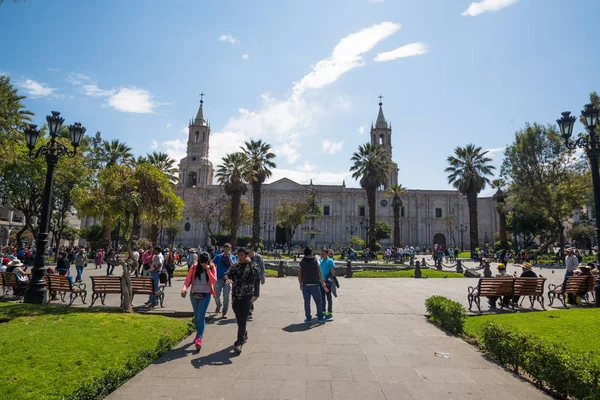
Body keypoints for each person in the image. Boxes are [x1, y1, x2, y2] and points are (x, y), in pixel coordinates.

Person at [224, 247, 260, 354]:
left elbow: (257, 274)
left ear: (246, 256)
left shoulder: (252, 266)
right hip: (236, 296)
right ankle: (243, 333)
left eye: (242, 255)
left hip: (247, 296)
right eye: (238, 255)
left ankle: (239, 342)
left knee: (242, 320)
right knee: (239, 318)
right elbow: (227, 273)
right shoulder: (235, 266)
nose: (240, 257)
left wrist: (250, 263)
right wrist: (227, 279)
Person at [181, 252, 217, 351]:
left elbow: (214, 281)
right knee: (197, 316)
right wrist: (184, 289)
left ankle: (199, 338)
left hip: (205, 294)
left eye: (205, 262)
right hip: (194, 294)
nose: (203, 264)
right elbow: (187, 280)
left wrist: (208, 270)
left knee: (201, 315)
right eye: (201, 262)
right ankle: (198, 333)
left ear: (208, 261)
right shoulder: (194, 267)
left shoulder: (212, 267)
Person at [298, 247, 328, 324]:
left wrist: (300, 283)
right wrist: (322, 282)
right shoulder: (316, 260)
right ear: (311, 252)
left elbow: (299, 274)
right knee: (318, 301)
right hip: (315, 284)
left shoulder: (301, 262)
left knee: (307, 302)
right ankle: (320, 317)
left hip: (305, 284)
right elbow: (319, 272)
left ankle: (308, 318)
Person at [213, 243, 236, 319]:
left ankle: (224, 312)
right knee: (216, 295)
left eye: (228, 249)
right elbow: (212, 264)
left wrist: (230, 258)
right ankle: (218, 304)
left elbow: (234, 266)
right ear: (223, 249)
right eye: (225, 249)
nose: (226, 251)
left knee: (226, 297)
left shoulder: (233, 257)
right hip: (218, 278)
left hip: (228, 279)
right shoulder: (218, 256)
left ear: (230, 250)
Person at [248, 245, 265, 320]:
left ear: (252, 249)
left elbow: (262, 267)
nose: (248, 251)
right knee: (249, 293)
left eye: (249, 249)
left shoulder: (258, 257)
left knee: (256, 295)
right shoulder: (245, 257)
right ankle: (248, 308)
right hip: (248, 278)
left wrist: (262, 277)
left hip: (256, 277)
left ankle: (249, 303)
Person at [319, 247, 335, 319]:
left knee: (328, 297)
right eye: (321, 253)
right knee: (322, 297)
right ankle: (323, 311)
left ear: (327, 254)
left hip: (327, 283)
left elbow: (332, 272)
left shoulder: (330, 261)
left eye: (324, 253)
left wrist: (329, 281)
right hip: (321, 282)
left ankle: (329, 311)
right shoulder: (321, 261)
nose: (322, 255)